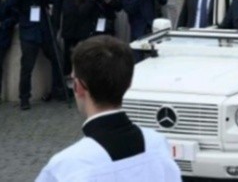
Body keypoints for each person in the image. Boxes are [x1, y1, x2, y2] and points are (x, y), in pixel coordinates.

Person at [35, 35, 181, 182]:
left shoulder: (65, 168)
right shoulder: (157, 144)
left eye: (72, 80)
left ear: (78, 87)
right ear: (129, 83)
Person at [6, 0, 64, 110]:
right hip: (29, 32)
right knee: (27, 66)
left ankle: (58, 90)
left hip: (45, 30)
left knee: (57, 58)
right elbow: (9, 4)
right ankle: (24, 97)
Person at [52, 0, 87, 76]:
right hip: (70, 26)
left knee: (87, 58)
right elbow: (57, 5)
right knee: (69, 56)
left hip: (87, 27)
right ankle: (69, 88)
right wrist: (55, 26)